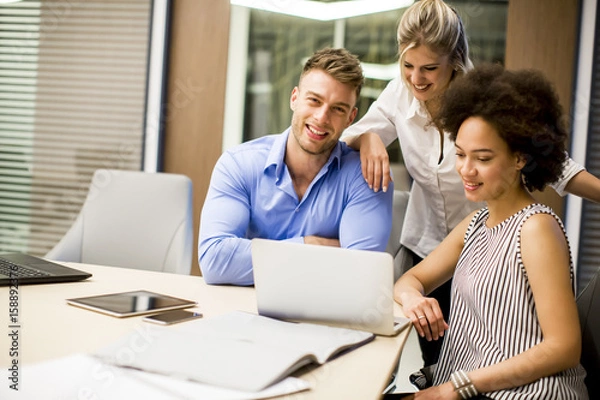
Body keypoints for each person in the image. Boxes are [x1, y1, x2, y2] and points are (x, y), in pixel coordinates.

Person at [342, 0, 600, 366]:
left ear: (455, 61)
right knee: (415, 353)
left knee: (484, 349)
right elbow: (352, 135)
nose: (417, 79)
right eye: (408, 66)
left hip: (487, 253)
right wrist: (368, 136)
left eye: (430, 68)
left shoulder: (485, 104)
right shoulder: (400, 94)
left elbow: (558, 166)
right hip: (428, 247)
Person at [393, 64, 589, 399]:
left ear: (520, 158)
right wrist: (414, 298)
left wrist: (459, 386)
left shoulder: (536, 228)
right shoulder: (474, 226)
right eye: (460, 154)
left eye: (482, 158)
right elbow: (409, 281)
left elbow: (564, 347)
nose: (465, 170)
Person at [198, 47, 394, 286]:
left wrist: (259, 259)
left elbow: (360, 274)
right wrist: (312, 245)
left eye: (337, 109)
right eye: (314, 100)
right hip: (244, 311)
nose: (322, 117)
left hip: (322, 315)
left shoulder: (365, 176)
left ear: (351, 118)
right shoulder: (239, 165)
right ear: (294, 98)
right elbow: (215, 261)